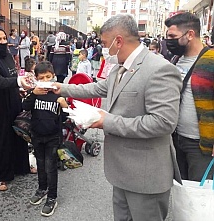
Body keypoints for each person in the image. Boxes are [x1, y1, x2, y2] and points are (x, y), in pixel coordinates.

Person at [53, 14, 182, 221]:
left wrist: (106, 121)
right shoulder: (120, 67)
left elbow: (163, 122)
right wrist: (60, 88)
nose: (104, 49)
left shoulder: (159, 69)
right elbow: (95, 88)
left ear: (118, 41)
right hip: (121, 172)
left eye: (105, 43)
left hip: (145, 175)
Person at [0, 24, 32, 191]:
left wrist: (19, 90)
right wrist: (18, 82)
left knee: (18, 133)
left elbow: (12, 76)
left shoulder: (7, 54)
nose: (3, 42)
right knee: (0, 138)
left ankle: (20, 166)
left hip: (13, 99)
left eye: (4, 38)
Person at [165, 12, 214, 181]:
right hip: (176, 139)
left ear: (190, 34)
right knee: (181, 193)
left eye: (173, 36)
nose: (168, 41)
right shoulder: (176, 60)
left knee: (199, 198)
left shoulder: (211, 60)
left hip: (201, 145)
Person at [22, 61, 68, 217]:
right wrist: (34, 93)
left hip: (53, 136)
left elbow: (67, 116)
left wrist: (64, 105)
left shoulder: (58, 93)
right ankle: (42, 189)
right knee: (40, 164)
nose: (46, 80)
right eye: (42, 77)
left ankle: (52, 197)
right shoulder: (35, 92)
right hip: (37, 134)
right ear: (36, 78)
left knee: (51, 166)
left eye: (48, 77)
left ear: (53, 76)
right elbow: (25, 107)